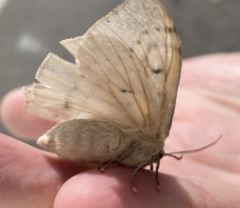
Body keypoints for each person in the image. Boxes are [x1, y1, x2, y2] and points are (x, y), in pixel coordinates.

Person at [0, 53, 240, 208]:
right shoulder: (151, 136)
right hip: (85, 133)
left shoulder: (151, 142)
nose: (156, 162)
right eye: (156, 159)